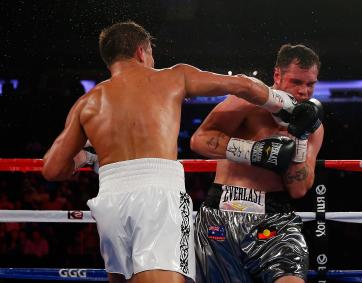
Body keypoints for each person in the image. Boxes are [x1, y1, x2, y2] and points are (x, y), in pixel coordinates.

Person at [42, 21, 304, 283]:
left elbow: (52, 169)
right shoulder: (171, 77)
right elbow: (242, 85)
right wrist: (287, 105)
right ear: (141, 52)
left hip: (109, 201)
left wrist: (89, 157)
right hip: (157, 198)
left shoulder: (87, 103)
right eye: (151, 54)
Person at [190, 44, 324, 283]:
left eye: (310, 84)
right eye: (296, 82)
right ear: (277, 76)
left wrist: (299, 140)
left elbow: (299, 189)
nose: (304, 91)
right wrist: (254, 152)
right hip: (221, 213)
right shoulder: (247, 102)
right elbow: (199, 140)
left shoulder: (313, 127)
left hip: (274, 220)